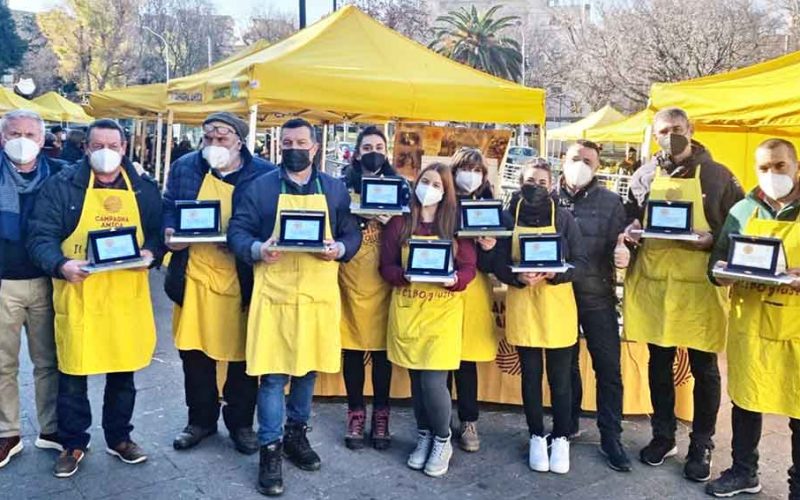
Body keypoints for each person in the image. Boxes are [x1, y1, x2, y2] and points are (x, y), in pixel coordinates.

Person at [227, 118, 361, 497]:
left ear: (315, 147)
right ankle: (269, 451)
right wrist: (256, 250)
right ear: (278, 146)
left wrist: (341, 249)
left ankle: (295, 436)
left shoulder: (334, 190)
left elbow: (352, 232)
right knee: (272, 376)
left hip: (317, 295)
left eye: (301, 141)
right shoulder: (260, 188)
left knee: (306, 373)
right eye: (287, 142)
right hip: (275, 294)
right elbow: (238, 230)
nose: (294, 148)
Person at [27, 119, 163, 478]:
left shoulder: (144, 188)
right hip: (79, 294)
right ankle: (74, 442)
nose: (106, 153)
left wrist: (151, 253)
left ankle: (119, 438)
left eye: (112, 146)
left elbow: (157, 234)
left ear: (123, 148)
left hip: (124, 298)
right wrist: (61, 264)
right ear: (86, 148)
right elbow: (39, 235)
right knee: (73, 375)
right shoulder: (62, 187)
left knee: (123, 375)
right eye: (97, 145)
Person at [623, 107, 744, 481]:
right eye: (663, 130)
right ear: (654, 134)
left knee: (703, 368)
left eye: (677, 128)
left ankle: (702, 443)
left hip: (699, 288)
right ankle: (663, 436)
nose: (670, 135)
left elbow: (738, 230)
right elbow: (630, 217)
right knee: (659, 364)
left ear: (690, 129)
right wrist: (629, 231)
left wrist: (714, 242)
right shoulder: (642, 175)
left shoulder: (719, 175)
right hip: (657, 284)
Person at [163, 113, 275, 455]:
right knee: (194, 355)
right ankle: (200, 420)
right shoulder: (184, 166)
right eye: (208, 137)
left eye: (222, 138)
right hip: (194, 275)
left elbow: (270, 218)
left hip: (240, 278)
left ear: (240, 141)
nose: (213, 144)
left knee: (242, 356)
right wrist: (170, 232)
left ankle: (241, 423)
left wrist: (245, 239)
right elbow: (169, 206)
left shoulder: (264, 173)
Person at [705, 139, 800, 498]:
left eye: (779, 166)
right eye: (764, 168)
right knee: (746, 400)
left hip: (795, 329)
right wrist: (723, 273)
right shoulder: (743, 210)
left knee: (799, 407)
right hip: (751, 326)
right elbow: (715, 265)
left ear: (796, 167)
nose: (772, 174)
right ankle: (744, 470)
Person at [379, 162, 477, 478]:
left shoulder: (456, 224)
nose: (430, 188)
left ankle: (443, 438)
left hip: (442, 314)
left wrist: (454, 280)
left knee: (434, 382)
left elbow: (469, 269)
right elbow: (386, 266)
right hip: (408, 311)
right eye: (425, 181)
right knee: (417, 383)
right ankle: (424, 435)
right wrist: (402, 276)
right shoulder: (400, 222)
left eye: (437, 184)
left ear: (446, 190)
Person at [493, 160, 586, 475]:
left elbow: (580, 262)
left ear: (552, 185)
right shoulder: (508, 218)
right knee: (530, 378)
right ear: (520, 181)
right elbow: (498, 262)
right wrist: (517, 278)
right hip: (523, 304)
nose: (536, 185)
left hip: (557, 306)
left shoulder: (564, 218)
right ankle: (536, 434)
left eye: (543, 181)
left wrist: (554, 274)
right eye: (531, 180)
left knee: (560, 380)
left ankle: (560, 437)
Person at [556, 140, 631, 472]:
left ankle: (611, 436)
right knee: (565, 366)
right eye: (575, 158)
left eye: (588, 160)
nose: (580, 165)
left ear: (598, 167)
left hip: (597, 296)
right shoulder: (547, 198)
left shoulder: (612, 202)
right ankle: (568, 424)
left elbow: (624, 244)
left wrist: (627, 253)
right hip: (558, 296)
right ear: (563, 161)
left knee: (609, 369)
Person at [0, 110, 67, 469]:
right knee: (2, 364)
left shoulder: (60, 175)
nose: (21, 140)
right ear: (2, 137)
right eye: (13, 133)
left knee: (48, 361)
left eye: (29, 133)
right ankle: (7, 431)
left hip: (46, 280)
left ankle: (51, 428)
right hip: (3, 282)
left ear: (43, 140)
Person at [339, 126, 408, 451]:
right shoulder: (342, 187)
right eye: (367, 146)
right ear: (357, 151)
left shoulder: (402, 187)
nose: (373, 151)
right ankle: (355, 412)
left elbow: (411, 226)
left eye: (379, 146)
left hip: (385, 277)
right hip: (351, 278)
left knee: (382, 353)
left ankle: (382, 414)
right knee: (351, 348)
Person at [448, 147, 499, 452]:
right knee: (441, 359)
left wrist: (490, 249)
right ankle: (438, 421)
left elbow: (497, 264)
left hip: (476, 289)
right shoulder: (441, 203)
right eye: (466, 168)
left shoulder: (492, 208)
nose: (472, 175)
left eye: (478, 170)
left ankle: (469, 420)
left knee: (466, 361)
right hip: (443, 288)